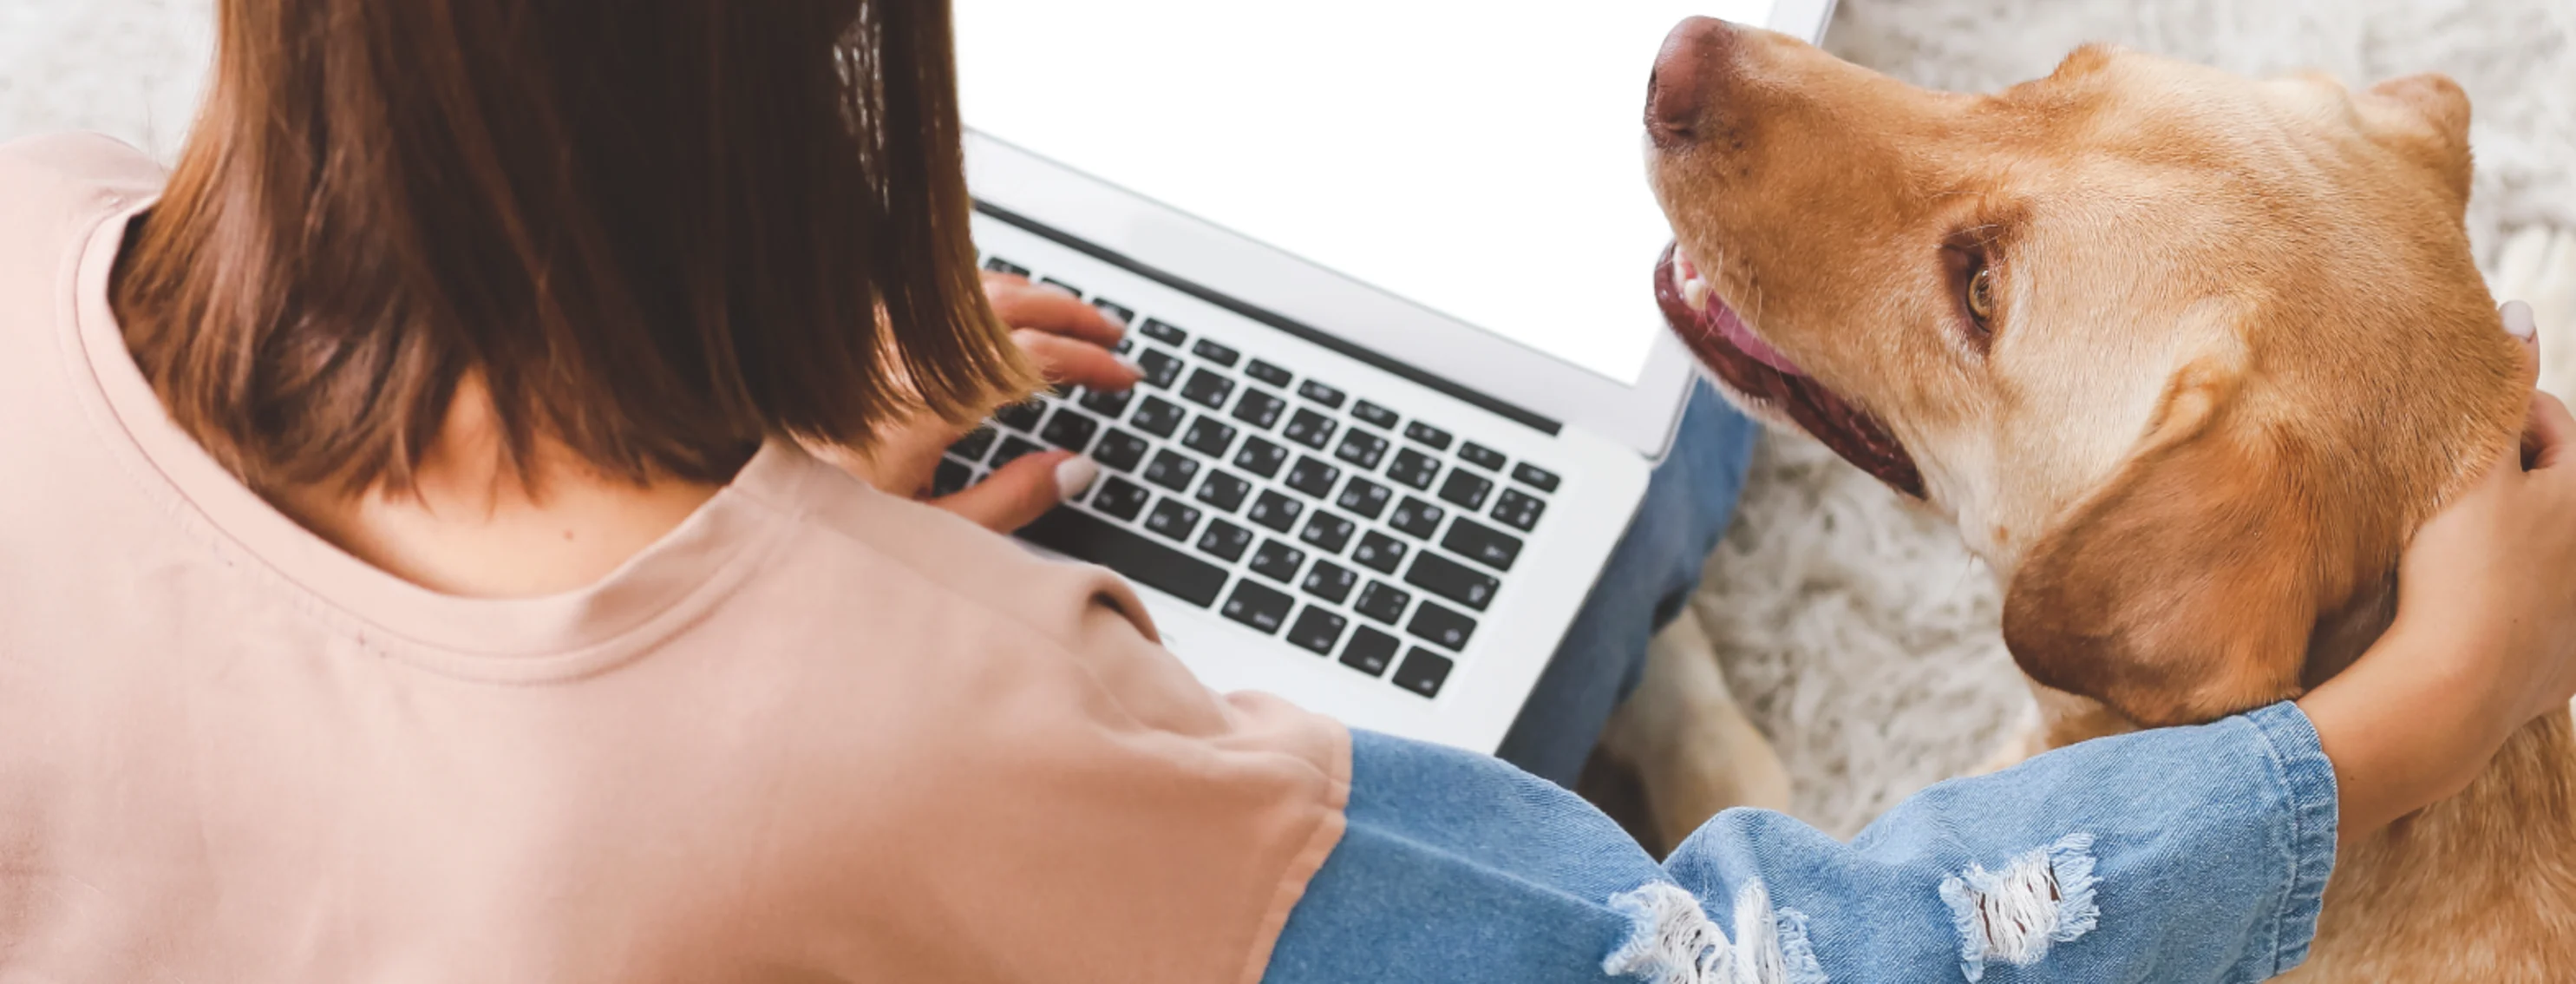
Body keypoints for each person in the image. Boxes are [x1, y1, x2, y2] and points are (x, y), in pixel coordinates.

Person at [2, 1, 2573, 981]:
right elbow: (1709, 978)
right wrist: (2406, 717)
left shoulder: (29, 250)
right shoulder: (893, 721)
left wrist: (710, 466)